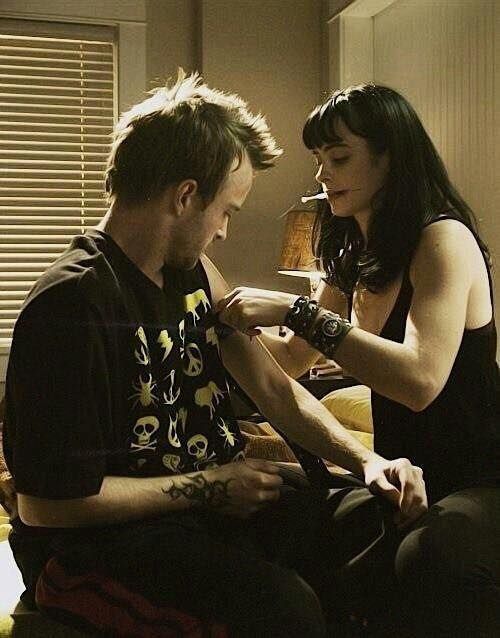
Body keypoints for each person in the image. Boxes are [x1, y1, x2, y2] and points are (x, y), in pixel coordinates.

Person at [2, 71, 426, 637]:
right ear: (184, 196)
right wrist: (216, 485)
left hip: (207, 511)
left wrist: (366, 462)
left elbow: (274, 388)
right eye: (226, 211)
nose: (224, 232)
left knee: (385, 527)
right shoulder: (73, 303)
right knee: (284, 609)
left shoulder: (196, 272)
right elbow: (45, 507)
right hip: (99, 548)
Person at [216, 83, 500, 637]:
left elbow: (419, 380)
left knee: (430, 558)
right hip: (402, 473)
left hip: (481, 475)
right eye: (319, 160)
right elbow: (293, 361)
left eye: (339, 157)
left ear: (390, 153)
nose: (323, 175)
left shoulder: (442, 238)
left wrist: (293, 309)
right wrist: (218, 322)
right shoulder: (349, 256)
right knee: (276, 510)